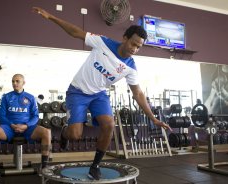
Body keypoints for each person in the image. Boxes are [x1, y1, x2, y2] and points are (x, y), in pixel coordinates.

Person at [32, 7, 172, 180]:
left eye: (139, 47)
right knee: (75, 134)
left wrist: (153, 118)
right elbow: (76, 32)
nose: (135, 49)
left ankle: (95, 165)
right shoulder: (103, 42)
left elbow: (138, 94)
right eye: (133, 44)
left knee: (109, 125)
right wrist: (52, 17)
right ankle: (64, 132)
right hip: (78, 92)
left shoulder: (130, 67)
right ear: (125, 38)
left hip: (99, 95)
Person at [0, 74, 51, 180]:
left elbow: (35, 116)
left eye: (17, 81)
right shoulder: (6, 97)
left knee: (47, 132)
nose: (14, 83)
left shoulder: (30, 98)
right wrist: (11, 124)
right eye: (13, 81)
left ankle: (44, 165)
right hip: (9, 127)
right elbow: (1, 116)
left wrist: (26, 126)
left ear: (23, 83)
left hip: (27, 128)